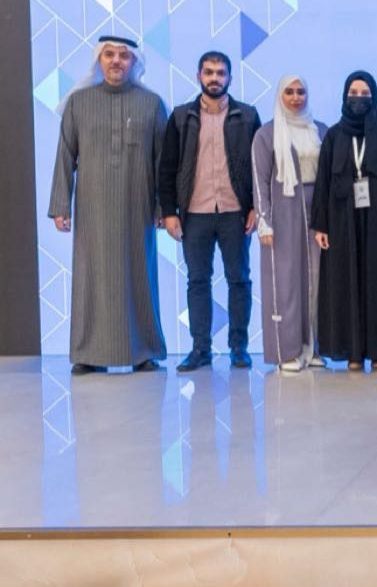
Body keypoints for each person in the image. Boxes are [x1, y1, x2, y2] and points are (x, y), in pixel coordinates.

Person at [49, 36, 168, 374]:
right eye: (110, 55)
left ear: (134, 62)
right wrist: (61, 205)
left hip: (137, 208)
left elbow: (162, 162)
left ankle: (144, 352)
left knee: (140, 273)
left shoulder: (152, 104)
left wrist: (163, 208)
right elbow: (65, 156)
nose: (116, 61)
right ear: (99, 60)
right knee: (91, 275)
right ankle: (88, 354)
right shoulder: (78, 103)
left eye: (124, 56)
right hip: (92, 209)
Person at [160, 51, 261, 372]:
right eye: (208, 72)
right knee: (198, 281)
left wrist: (257, 207)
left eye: (220, 73)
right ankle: (200, 349)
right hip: (194, 213)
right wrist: (169, 212)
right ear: (198, 76)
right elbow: (167, 167)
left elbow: (260, 168)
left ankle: (239, 348)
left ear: (230, 77)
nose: (214, 78)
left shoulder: (247, 116)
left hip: (235, 212)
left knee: (239, 280)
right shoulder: (181, 117)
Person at [311, 71, 377, 371]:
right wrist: (321, 224)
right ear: (345, 97)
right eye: (353, 93)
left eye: (364, 93)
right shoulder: (334, 136)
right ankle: (352, 352)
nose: (359, 99)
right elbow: (323, 182)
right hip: (342, 219)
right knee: (347, 281)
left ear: (374, 97)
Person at [251, 75, 328, 373]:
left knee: (317, 278)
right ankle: (287, 351)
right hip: (283, 212)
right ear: (280, 96)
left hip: (316, 211)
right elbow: (259, 180)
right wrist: (264, 220)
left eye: (301, 92)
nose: (296, 97)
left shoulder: (320, 130)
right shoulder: (266, 134)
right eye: (289, 92)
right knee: (285, 281)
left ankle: (314, 347)